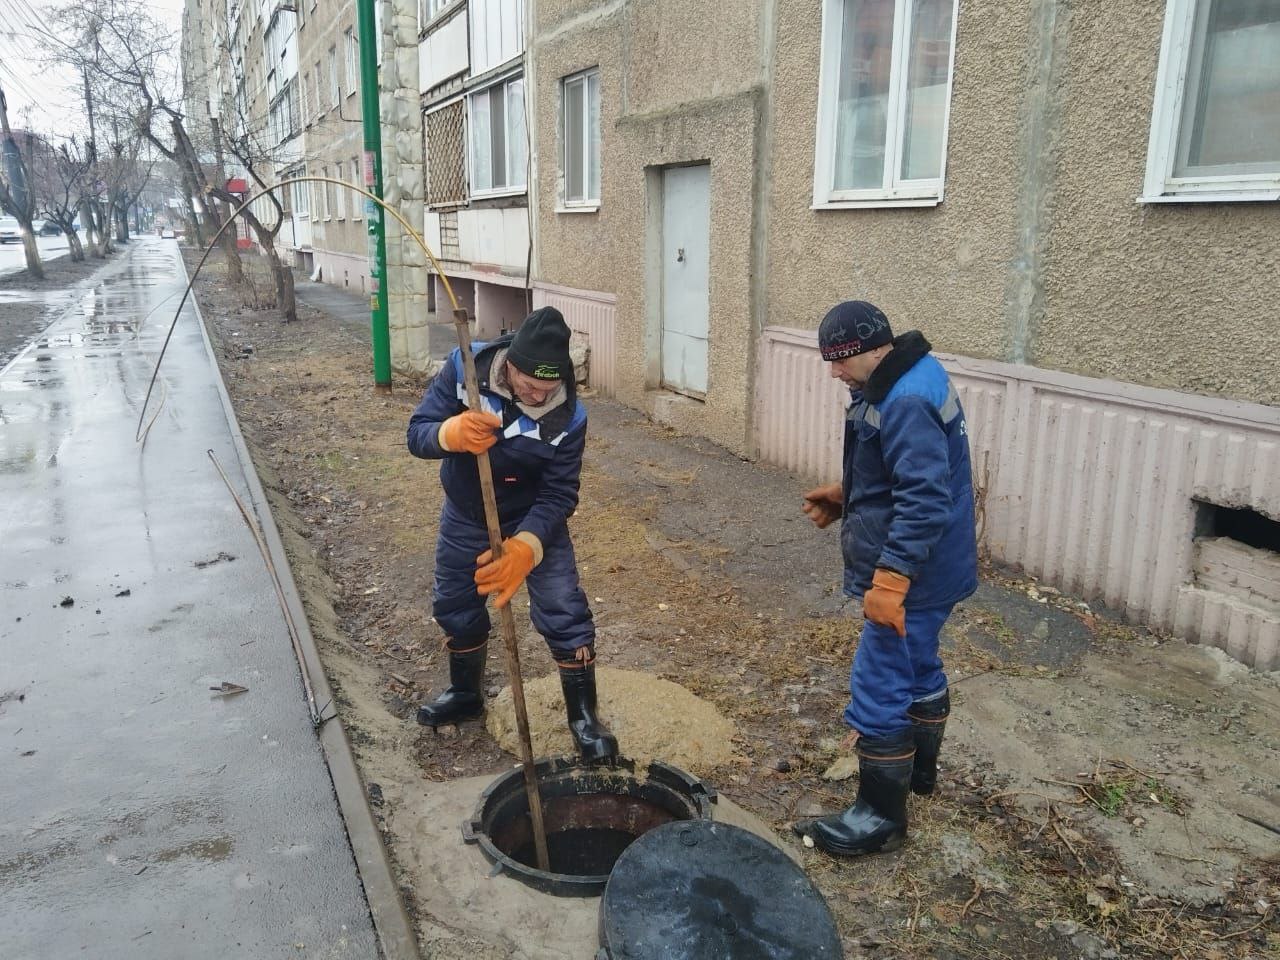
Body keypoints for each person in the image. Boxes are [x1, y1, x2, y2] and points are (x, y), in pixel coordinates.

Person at [793, 301, 977, 857]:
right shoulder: (905, 377)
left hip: (916, 571)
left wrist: (892, 581)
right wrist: (849, 497)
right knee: (919, 665)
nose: (833, 372)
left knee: (879, 681)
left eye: (840, 360)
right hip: (937, 564)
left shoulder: (907, 399)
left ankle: (879, 817)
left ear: (877, 347)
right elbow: (912, 472)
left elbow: (924, 499)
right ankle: (919, 775)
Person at [406, 306, 618, 763]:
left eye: (548, 388)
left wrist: (527, 546)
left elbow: (561, 493)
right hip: (468, 512)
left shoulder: (570, 416)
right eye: (528, 385)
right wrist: (451, 432)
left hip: (534, 520)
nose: (537, 396)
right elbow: (416, 433)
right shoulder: (466, 369)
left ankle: (584, 717)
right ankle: (465, 693)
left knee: (564, 607)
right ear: (510, 363)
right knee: (456, 603)